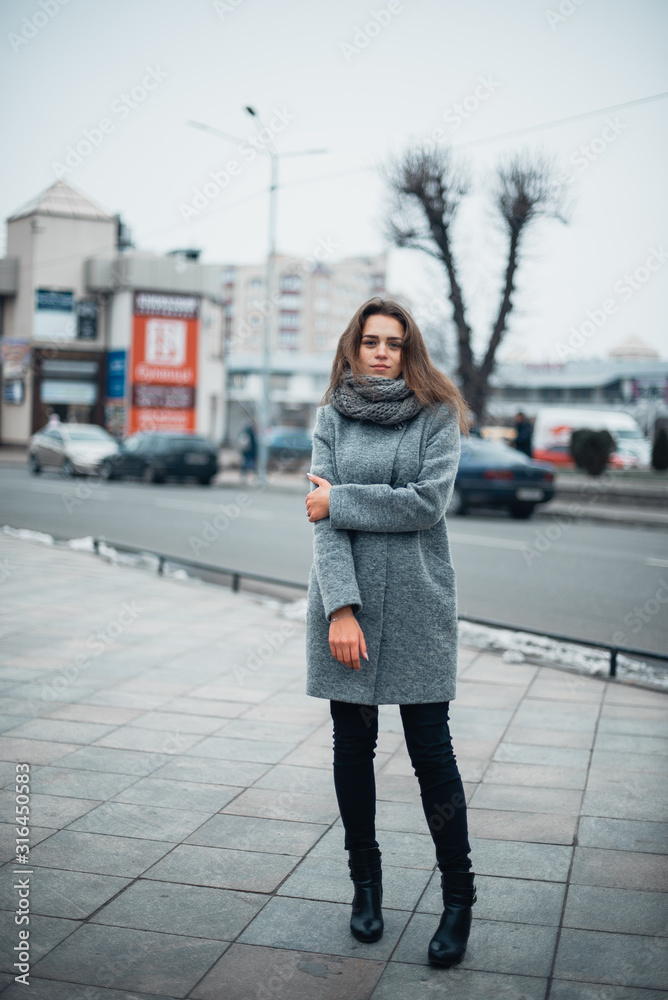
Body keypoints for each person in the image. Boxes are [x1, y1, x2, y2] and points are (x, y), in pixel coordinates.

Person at [304, 297, 476, 968]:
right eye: (371, 340)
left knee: (431, 751)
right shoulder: (330, 421)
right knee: (353, 747)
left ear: (410, 351)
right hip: (346, 611)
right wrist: (340, 609)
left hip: (418, 605)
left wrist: (339, 498)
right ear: (352, 348)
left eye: (395, 343)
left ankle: (459, 898)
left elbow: (424, 505)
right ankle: (365, 888)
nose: (382, 351)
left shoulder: (438, 417)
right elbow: (323, 525)